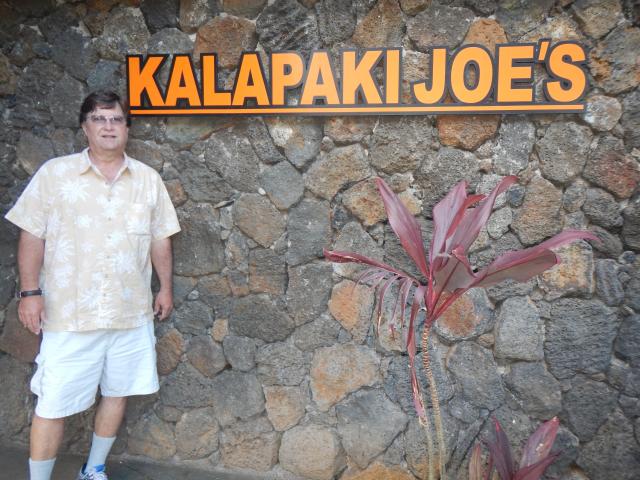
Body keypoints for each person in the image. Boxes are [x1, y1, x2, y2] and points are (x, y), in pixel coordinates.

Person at [5, 90, 181, 480]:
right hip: (70, 314)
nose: (108, 127)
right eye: (99, 119)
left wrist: (165, 288)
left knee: (118, 392)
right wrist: (30, 292)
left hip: (129, 313)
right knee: (52, 402)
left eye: (116, 119)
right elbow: (32, 233)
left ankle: (93, 468)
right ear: (85, 127)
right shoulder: (55, 174)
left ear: (127, 129)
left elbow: (160, 238)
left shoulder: (147, 180)